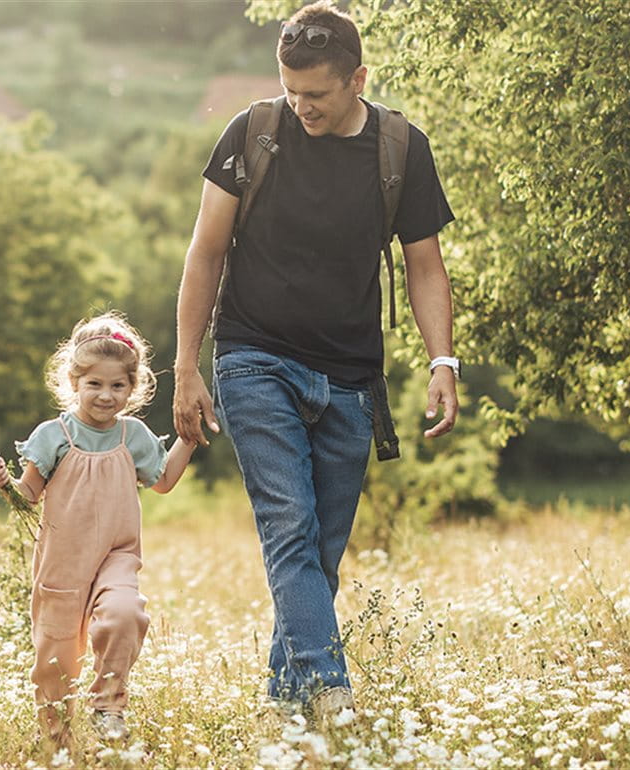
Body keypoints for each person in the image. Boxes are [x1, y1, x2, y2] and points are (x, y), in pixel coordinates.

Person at [170, 0, 461, 724]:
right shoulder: (254, 132)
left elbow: (425, 264)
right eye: (291, 90)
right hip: (253, 357)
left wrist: (442, 359)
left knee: (322, 551)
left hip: (352, 377)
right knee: (289, 526)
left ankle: (285, 703)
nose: (301, 107)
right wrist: (185, 364)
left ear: (358, 78)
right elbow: (205, 253)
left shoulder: (400, 148)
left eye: (318, 95)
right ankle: (332, 690)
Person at [0, 312, 197, 748]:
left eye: (117, 385)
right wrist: (7, 484)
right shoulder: (53, 435)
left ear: (132, 388)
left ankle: (108, 704)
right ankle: (57, 744)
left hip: (116, 555)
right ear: (74, 382)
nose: (105, 395)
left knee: (125, 613)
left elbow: (163, 481)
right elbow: (29, 494)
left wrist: (189, 437)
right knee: (55, 661)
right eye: (94, 384)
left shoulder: (132, 436)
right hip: (62, 561)